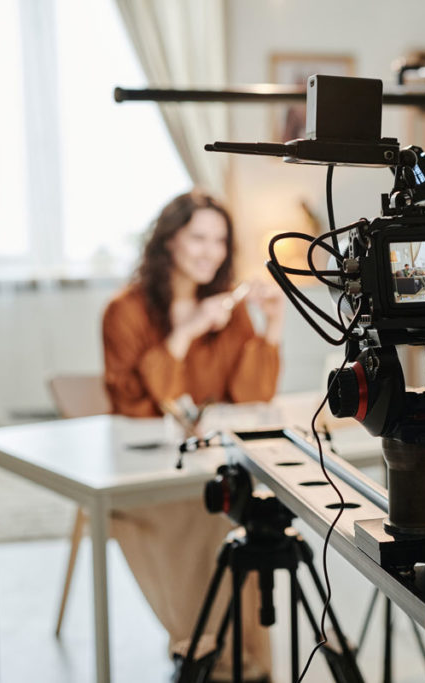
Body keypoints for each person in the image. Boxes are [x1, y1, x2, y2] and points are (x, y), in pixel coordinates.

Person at [102, 189, 284, 682]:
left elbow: (253, 397)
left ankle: (240, 660)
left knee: (239, 513)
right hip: (144, 475)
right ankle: (206, 646)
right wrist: (184, 334)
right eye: (198, 237)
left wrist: (274, 327)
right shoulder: (125, 311)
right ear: (168, 242)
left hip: (210, 463)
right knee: (211, 516)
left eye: (220, 240)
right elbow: (135, 409)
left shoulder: (231, 309)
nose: (210, 251)